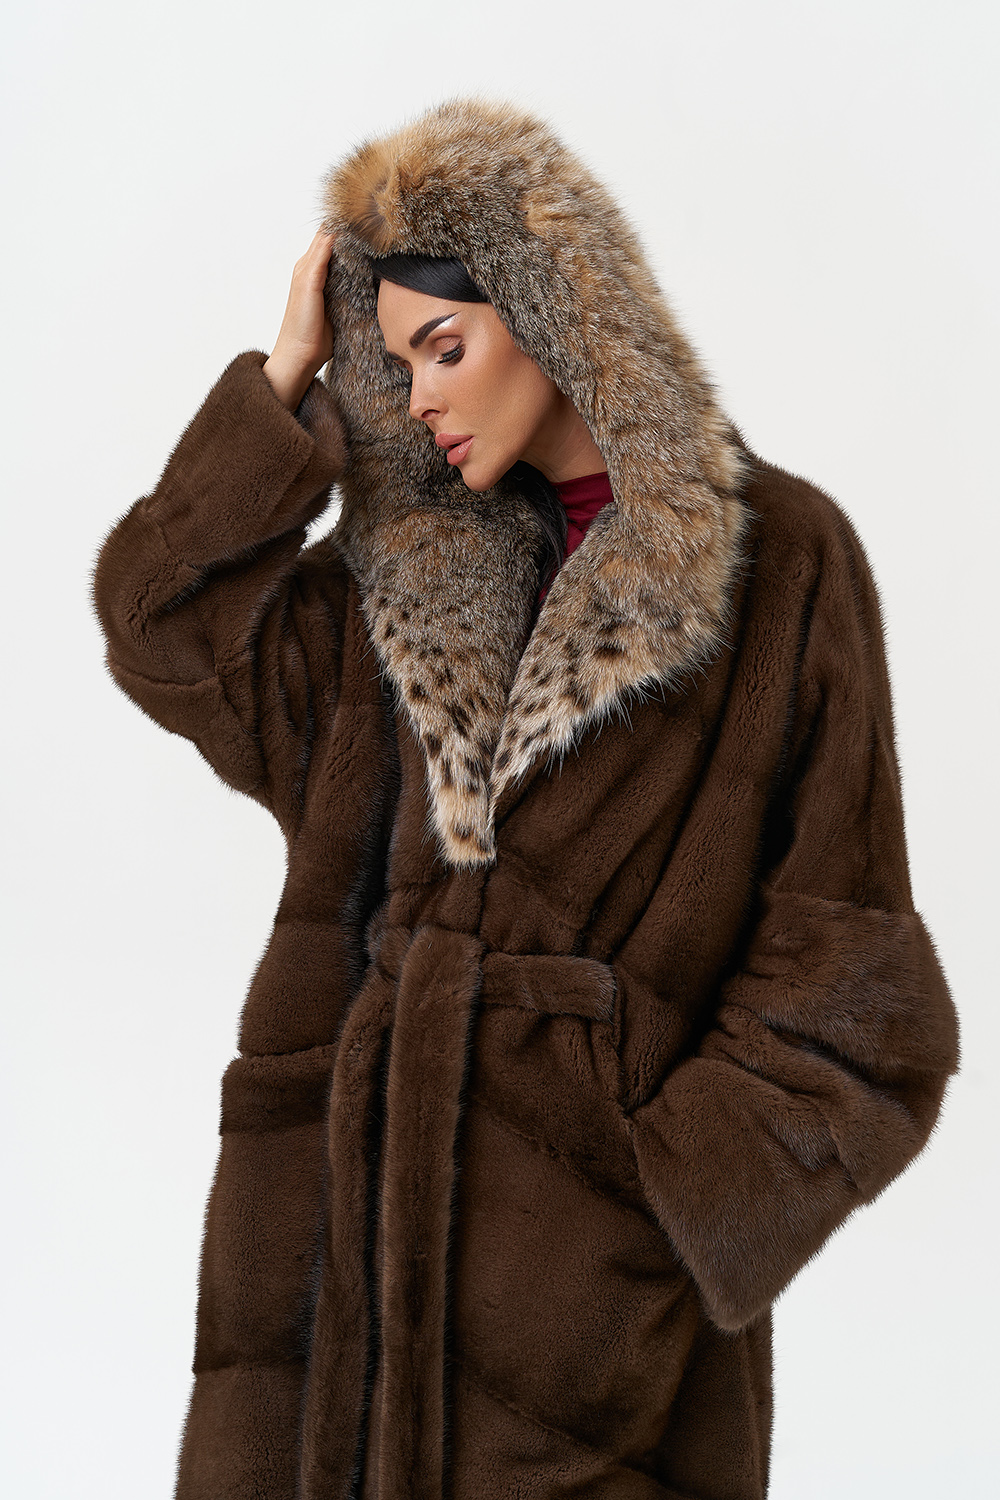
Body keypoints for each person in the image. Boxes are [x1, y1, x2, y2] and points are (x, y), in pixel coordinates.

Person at [90, 95, 960, 1500]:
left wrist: (645, 1214)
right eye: (396, 364)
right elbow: (162, 631)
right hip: (333, 1291)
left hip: (594, 1358)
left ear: (558, 312)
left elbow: (859, 992)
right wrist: (286, 384)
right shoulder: (391, 589)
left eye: (446, 346)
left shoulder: (780, 561)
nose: (419, 397)